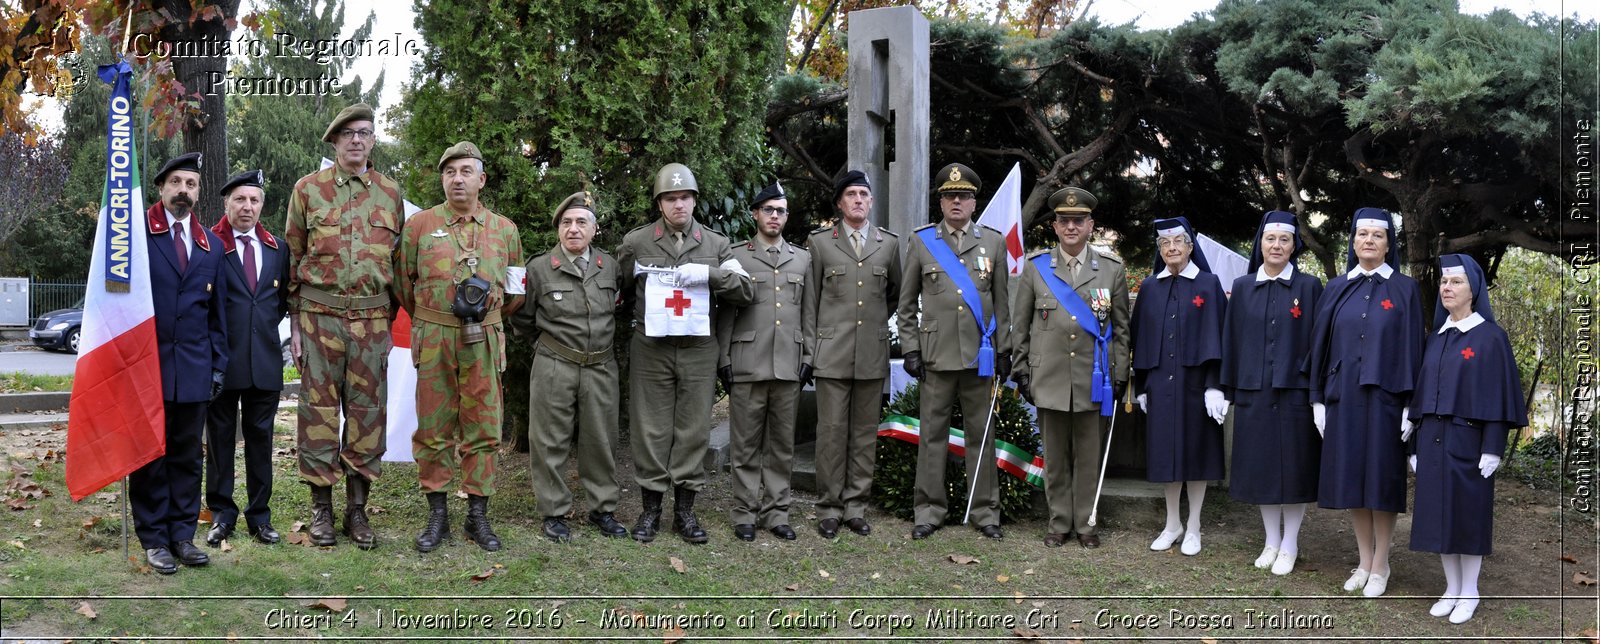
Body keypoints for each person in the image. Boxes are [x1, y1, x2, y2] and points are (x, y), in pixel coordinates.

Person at [285, 103, 405, 549]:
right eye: (349, 133)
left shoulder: (390, 195)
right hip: (319, 319)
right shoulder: (307, 190)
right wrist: (296, 324)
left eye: (365, 133)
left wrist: (388, 324)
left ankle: (357, 510)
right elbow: (293, 259)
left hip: (372, 322)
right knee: (317, 414)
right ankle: (321, 510)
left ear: (373, 141)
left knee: (368, 416)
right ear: (335, 141)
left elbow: (398, 265)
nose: (357, 139)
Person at [395, 141, 524, 553]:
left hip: (484, 339)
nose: (457, 179)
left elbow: (517, 290)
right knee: (433, 428)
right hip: (434, 339)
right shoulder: (418, 226)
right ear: (443, 179)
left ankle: (477, 516)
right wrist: (435, 318)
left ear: (481, 179)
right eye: (450, 172)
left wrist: (488, 314)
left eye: (466, 171)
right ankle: (438, 515)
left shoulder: (504, 230)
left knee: (483, 427)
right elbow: (403, 283)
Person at [616, 163, 754, 544]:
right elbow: (621, 291)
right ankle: (650, 511)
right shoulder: (636, 243)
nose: (679, 204)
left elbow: (745, 291)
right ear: (660, 204)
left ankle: (685, 513)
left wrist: (708, 275)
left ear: (694, 200)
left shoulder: (716, 244)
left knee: (693, 429)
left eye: (685, 197)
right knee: (650, 428)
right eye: (671, 198)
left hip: (697, 348)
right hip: (651, 347)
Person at [1308, 208, 1424, 597]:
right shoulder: (1337, 287)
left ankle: (1381, 565)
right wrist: (1317, 399)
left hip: (1388, 399)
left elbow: (1414, 348)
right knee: (1353, 481)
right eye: (1362, 234)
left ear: (1389, 244)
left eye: (1378, 235)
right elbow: (1320, 347)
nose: (1369, 240)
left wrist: (1412, 404)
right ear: (1353, 242)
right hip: (1344, 397)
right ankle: (1362, 561)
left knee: (1381, 481)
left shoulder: (1404, 288)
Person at [1408, 254, 1526, 624]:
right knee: (1439, 518)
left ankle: (1470, 591)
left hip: (1469, 443)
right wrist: (1413, 446)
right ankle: (1451, 589)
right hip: (1433, 441)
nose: (1447, 288)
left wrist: (1493, 447)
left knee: (1467, 518)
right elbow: (1422, 394)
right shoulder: (1436, 337)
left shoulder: (1491, 338)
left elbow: (1499, 397)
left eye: (1456, 282)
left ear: (1473, 289)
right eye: (1444, 282)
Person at [899, 163, 1012, 541]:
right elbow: (906, 306)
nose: (956, 202)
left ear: (974, 202)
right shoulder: (922, 241)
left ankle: (985, 512)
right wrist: (911, 349)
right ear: (942, 202)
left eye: (963, 196)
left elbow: (1002, 304)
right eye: (950, 196)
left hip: (980, 358)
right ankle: (928, 511)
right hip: (936, 356)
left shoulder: (994, 242)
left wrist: (1004, 350)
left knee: (982, 434)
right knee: (932, 435)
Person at [1011, 186, 1129, 549]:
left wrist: (1121, 373)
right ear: (1056, 227)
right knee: (1057, 457)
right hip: (1050, 378)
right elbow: (1021, 326)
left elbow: (1122, 328)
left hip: (1096, 380)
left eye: (1079, 220)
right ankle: (1059, 522)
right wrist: (1022, 370)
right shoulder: (1036, 269)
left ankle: (1086, 524)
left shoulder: (1110, 270)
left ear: (1090, 225)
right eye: (1064, 220)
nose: (1071, 226)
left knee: (1088, 456)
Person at [511, 191, 628, 542]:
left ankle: (603, 509)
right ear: (558, 230)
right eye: (566, 223)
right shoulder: (539, 268)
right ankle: (553, 512)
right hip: (555, 363)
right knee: (549, 440)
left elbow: (618, 309)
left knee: (601, 439)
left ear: (594, 230)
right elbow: (522, 319)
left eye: (581, 222)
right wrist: (544, 349)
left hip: (601, 366)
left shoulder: (610, 267)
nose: (573, 229)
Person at [133, 152, 228, 574]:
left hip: (193, 367)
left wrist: (217, 365)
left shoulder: (212, 245)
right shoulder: (134, 236)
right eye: (176, 183)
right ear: (161, 187)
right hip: (146, 366)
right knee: (151, 454)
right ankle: (153, 537)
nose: (183, 191)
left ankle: (182, 535)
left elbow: (217, 315)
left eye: (191, 184)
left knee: (189, 455)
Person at [1220, 210, 1323, 574]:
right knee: (1263, 468)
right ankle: (1270, 541)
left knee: (1292, 469)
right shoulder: (1245, 286)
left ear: (1293, 246)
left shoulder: (1309, 287)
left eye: (1284, 240)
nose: (1276, 246)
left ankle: (1290, 543)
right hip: (1254, 390)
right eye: (1270, 239)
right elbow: (1231, 339)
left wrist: (1317, 394)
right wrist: (1225, 388)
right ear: (1260, 244)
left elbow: (1318, 342)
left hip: (1294, 391)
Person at [715, 182, 814, 542]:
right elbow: (726, 311)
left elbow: (809, 312)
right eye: (768, 209)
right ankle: (744, 512)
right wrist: (723, 357)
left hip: (788, 362)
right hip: (747, 361)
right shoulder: (737, 256)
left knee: (781, 445)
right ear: (755, 213)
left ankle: (777, 512)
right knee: (744, 445)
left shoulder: (803, 258)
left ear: (787, 217)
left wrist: (808, 355)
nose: (774, 216)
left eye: (781, 210)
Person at [807, 170, 900, 539]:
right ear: (840, 203)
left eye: (864, 194)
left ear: (871, 201)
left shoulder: (888, 244)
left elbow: (894, 293)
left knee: (863, 434)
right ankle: (829, 508)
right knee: (830, 433)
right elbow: (810, 299)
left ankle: (856, 506)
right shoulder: (819, 244)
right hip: (831, 352)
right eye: (851, 194)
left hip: (871, 353)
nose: (859, 199)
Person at [1130, 216, 1228, 556]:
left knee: (1196, 455)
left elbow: (1221, 335)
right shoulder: (1149, 287)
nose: (1172, 248)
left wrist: (1216, 386)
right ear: (1160, 249)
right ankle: (1173, 524)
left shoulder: (1208, 284)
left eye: (1178, 243)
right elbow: (1139, 339)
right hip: (1160, 385)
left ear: (1189, 247)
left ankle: (1195, 525)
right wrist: (1141, 386)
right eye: (1165, 244)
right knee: (1167, 457)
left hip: (1197, 386)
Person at [204, 169, 290, 547]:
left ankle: (259, 517)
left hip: (265, 363)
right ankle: (221, 515)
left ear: (262, 205)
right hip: (222, 364)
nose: (247, 207)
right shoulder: (208, 244)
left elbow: (280, 303)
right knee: (220, 442)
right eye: (240, 199)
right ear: (226, 203)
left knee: (261, 442)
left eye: (254, 200)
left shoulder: (277, 248)